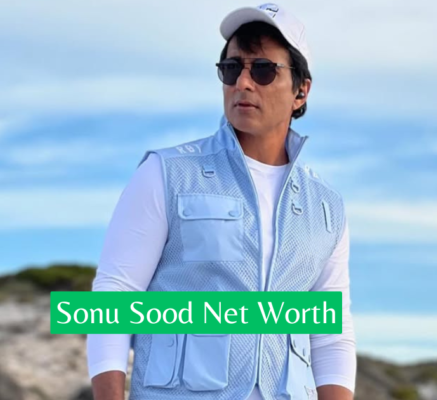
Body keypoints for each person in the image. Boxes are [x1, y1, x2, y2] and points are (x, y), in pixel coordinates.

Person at [87, 3, 356, 400]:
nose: (243, 82)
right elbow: (115, 295)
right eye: (231, 69)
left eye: (263, 70)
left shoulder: (326, 207)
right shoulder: (166, 174)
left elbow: (331, 336)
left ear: (301, 91)